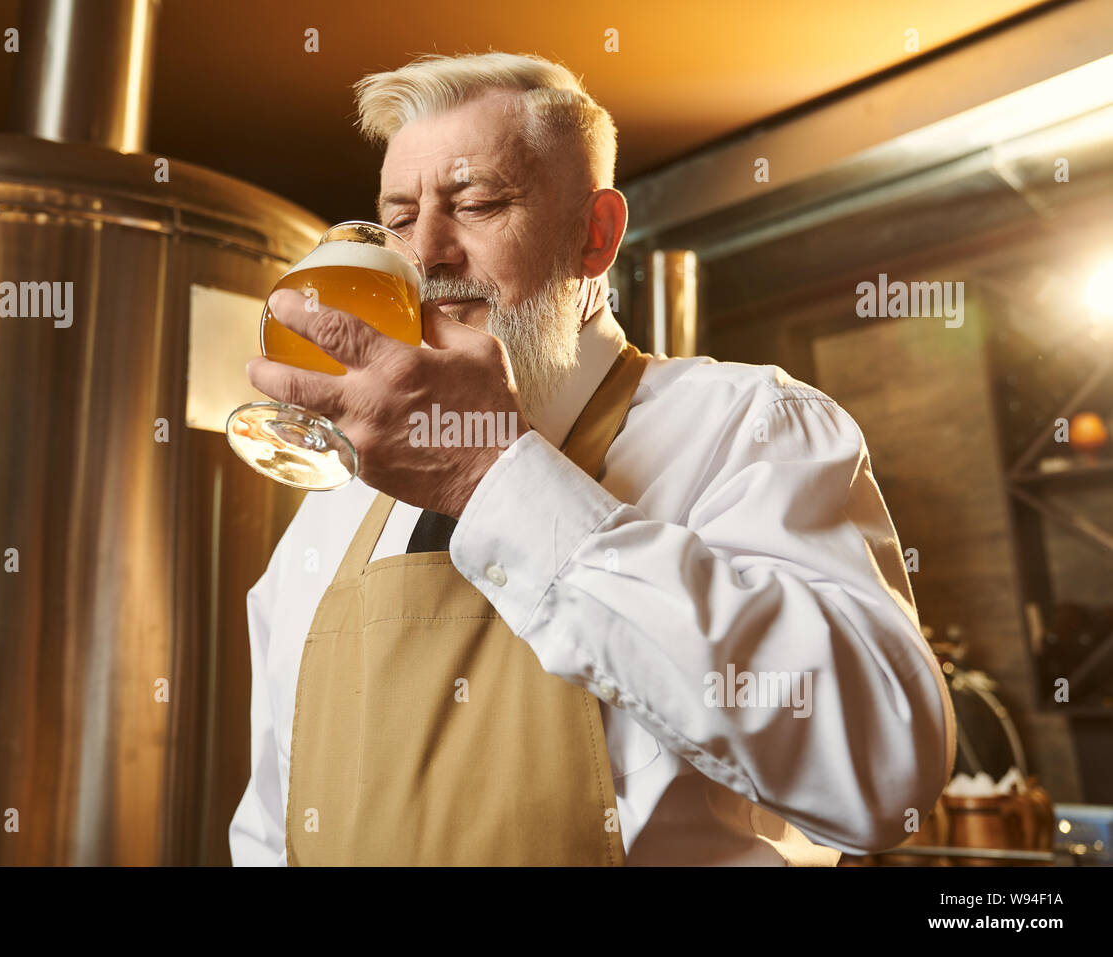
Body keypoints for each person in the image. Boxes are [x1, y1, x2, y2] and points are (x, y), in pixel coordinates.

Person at [230, 51, 955, 865]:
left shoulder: (748, 424)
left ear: (596, 234)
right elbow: (270, 825)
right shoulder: (333, 503)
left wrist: (491, 476)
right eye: (399, 218)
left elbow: (885, 767)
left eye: (476, 203)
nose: (426, 252)